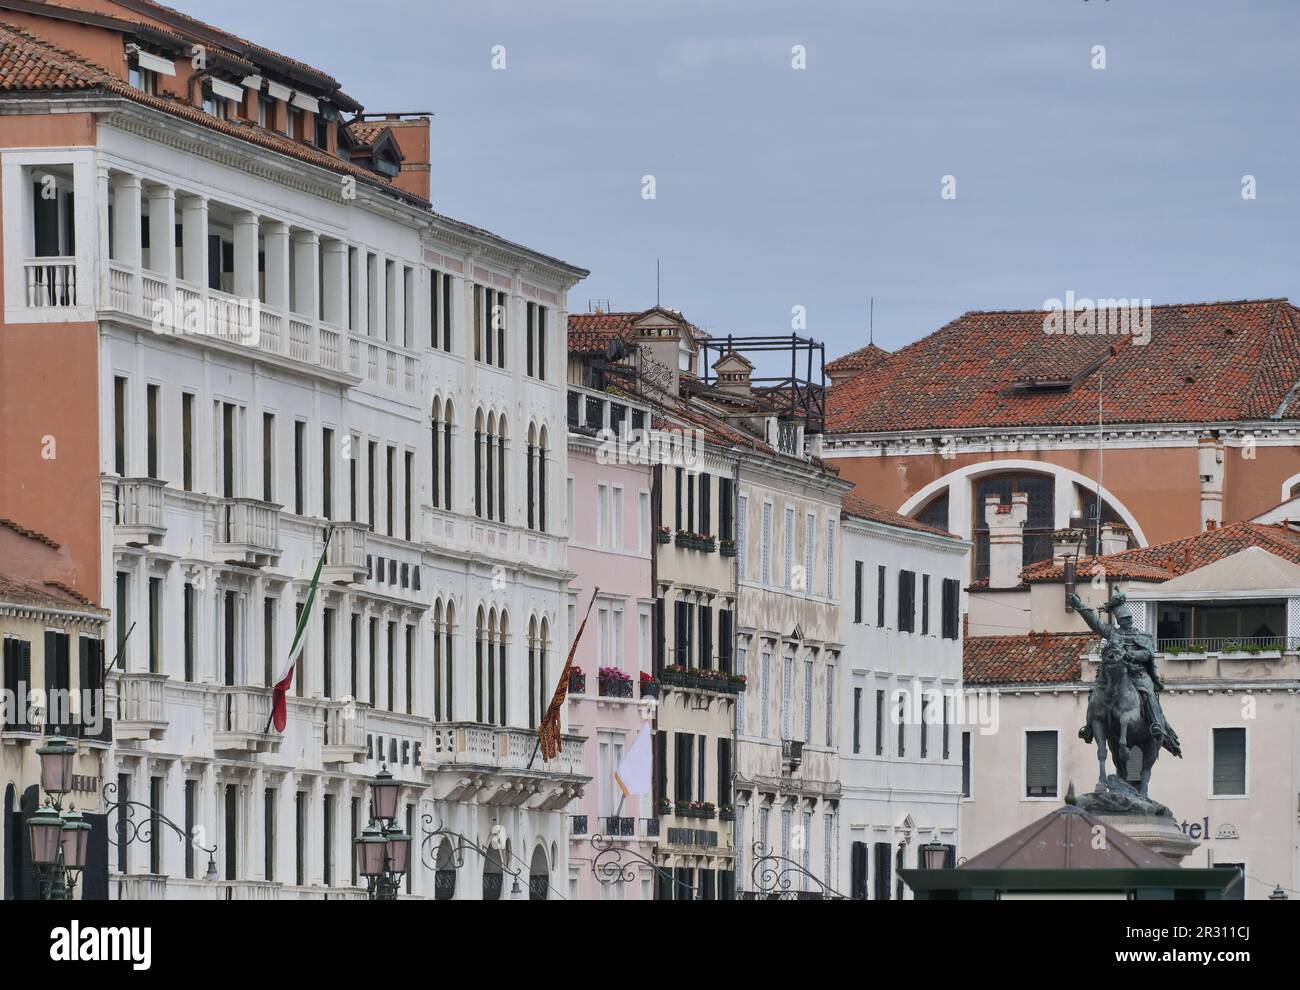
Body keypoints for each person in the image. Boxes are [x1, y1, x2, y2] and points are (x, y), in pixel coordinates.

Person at [1070, 591, 1182, 758]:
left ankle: (1156, 724)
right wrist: (1079, 606)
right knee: (1094, 694)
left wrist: (1133, 655)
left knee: (1149, 694)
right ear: (1119, 621)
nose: (1128, 621)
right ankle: (1089, 728)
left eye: (1129, 618)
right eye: (1124, 619)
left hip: (1137, 674)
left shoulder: (1142, 636)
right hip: (1114, 675)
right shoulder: (1112, 633)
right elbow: (1094, 622)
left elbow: (1148, 653)